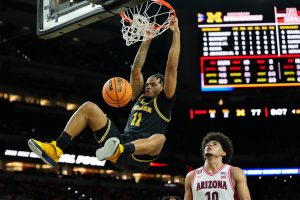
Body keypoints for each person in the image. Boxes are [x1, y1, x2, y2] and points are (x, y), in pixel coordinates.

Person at [28, 18, 180, 172]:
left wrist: (176, 34)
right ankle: (56, 150)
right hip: (117, 144)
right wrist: (147, 39)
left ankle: (119, 149)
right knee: (89, 107)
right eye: (147, 84)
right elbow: (136, 69)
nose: (148, 86)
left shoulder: (164, 102)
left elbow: (172, 66)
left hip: (140, 156)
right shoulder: (138, 96)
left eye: (153, 84)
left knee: (160, 139)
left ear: (162, 87)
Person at [184, 132, 251, 200]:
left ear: (223, 153)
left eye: (214, 144)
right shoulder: (191, 176)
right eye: (207, 145)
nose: (209, 145)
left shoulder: (235, 172)